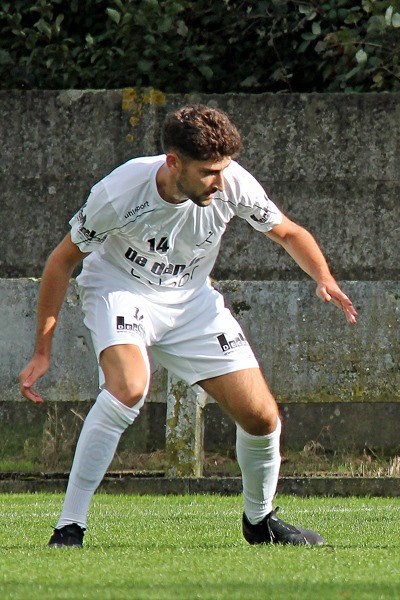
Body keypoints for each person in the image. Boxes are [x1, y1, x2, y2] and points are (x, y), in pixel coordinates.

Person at [18, 104, 358, 549]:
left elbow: (289, 233)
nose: (219, 181)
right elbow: (61, 262)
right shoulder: (119, 193)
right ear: (173, 162)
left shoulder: (231, 182)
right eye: (208, 172)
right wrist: (42, 351)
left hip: (192, 302)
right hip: (120, 290)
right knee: (128, 388)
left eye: (224, 169)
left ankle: (260, 521)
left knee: (261, 417)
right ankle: (69, 526)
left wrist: (324, 278)